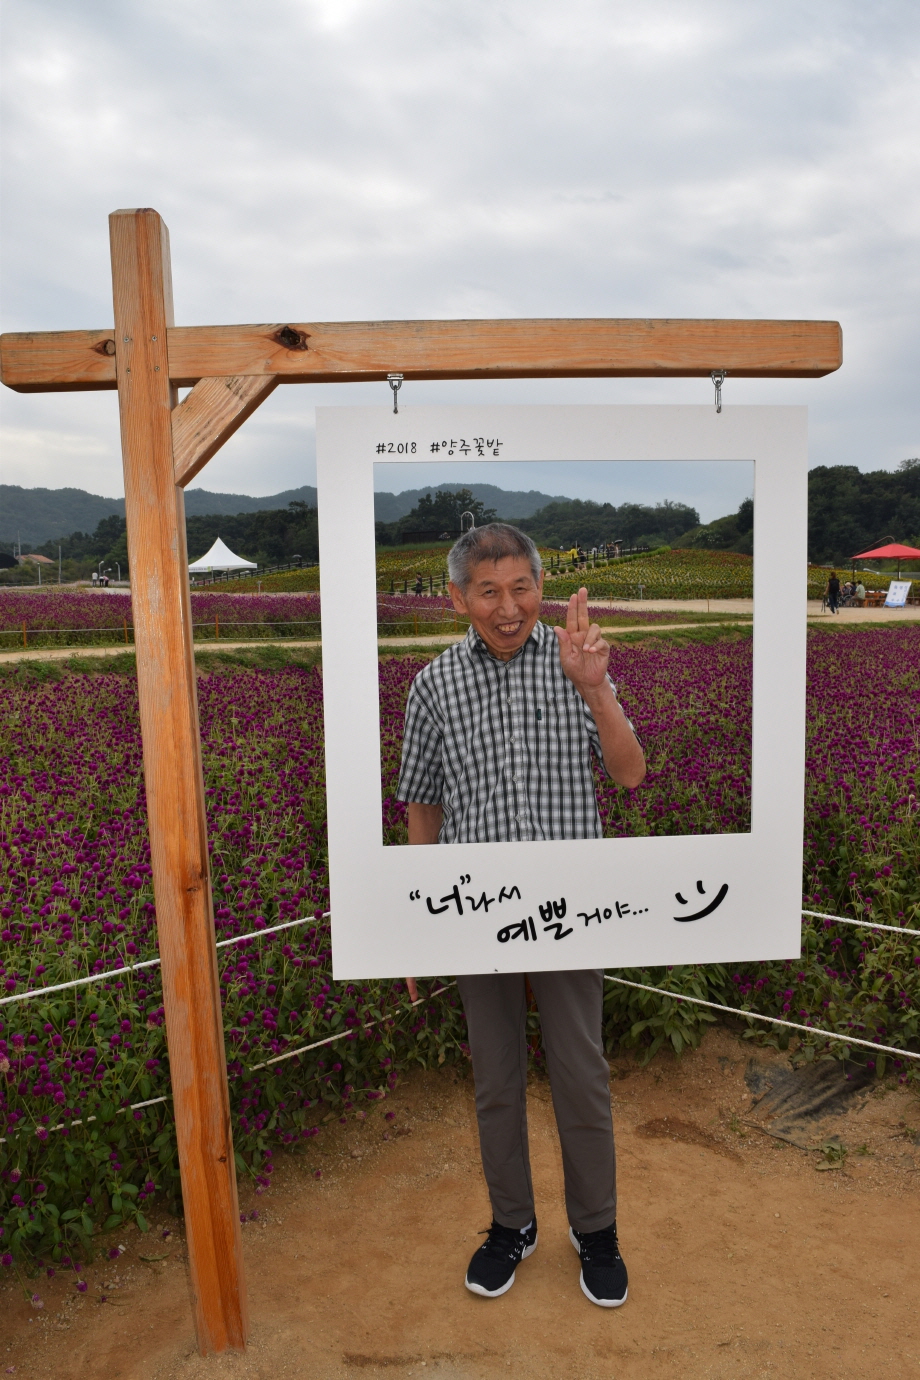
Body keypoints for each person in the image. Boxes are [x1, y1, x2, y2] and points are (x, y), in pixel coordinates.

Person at [396, 523, 646, 1309]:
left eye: (522, 588)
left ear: (542, 585)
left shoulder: (578, 666)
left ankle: (596, 1231)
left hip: (572, 908)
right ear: (457, 596)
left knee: (581, 1071)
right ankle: (512, 1225)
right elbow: (424, 804)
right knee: (496, 1078)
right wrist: (417, 921)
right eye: (488, 591)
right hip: (477, 912)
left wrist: (596, 688)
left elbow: (631, 775)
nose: (508, 608)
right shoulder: (433, 684)